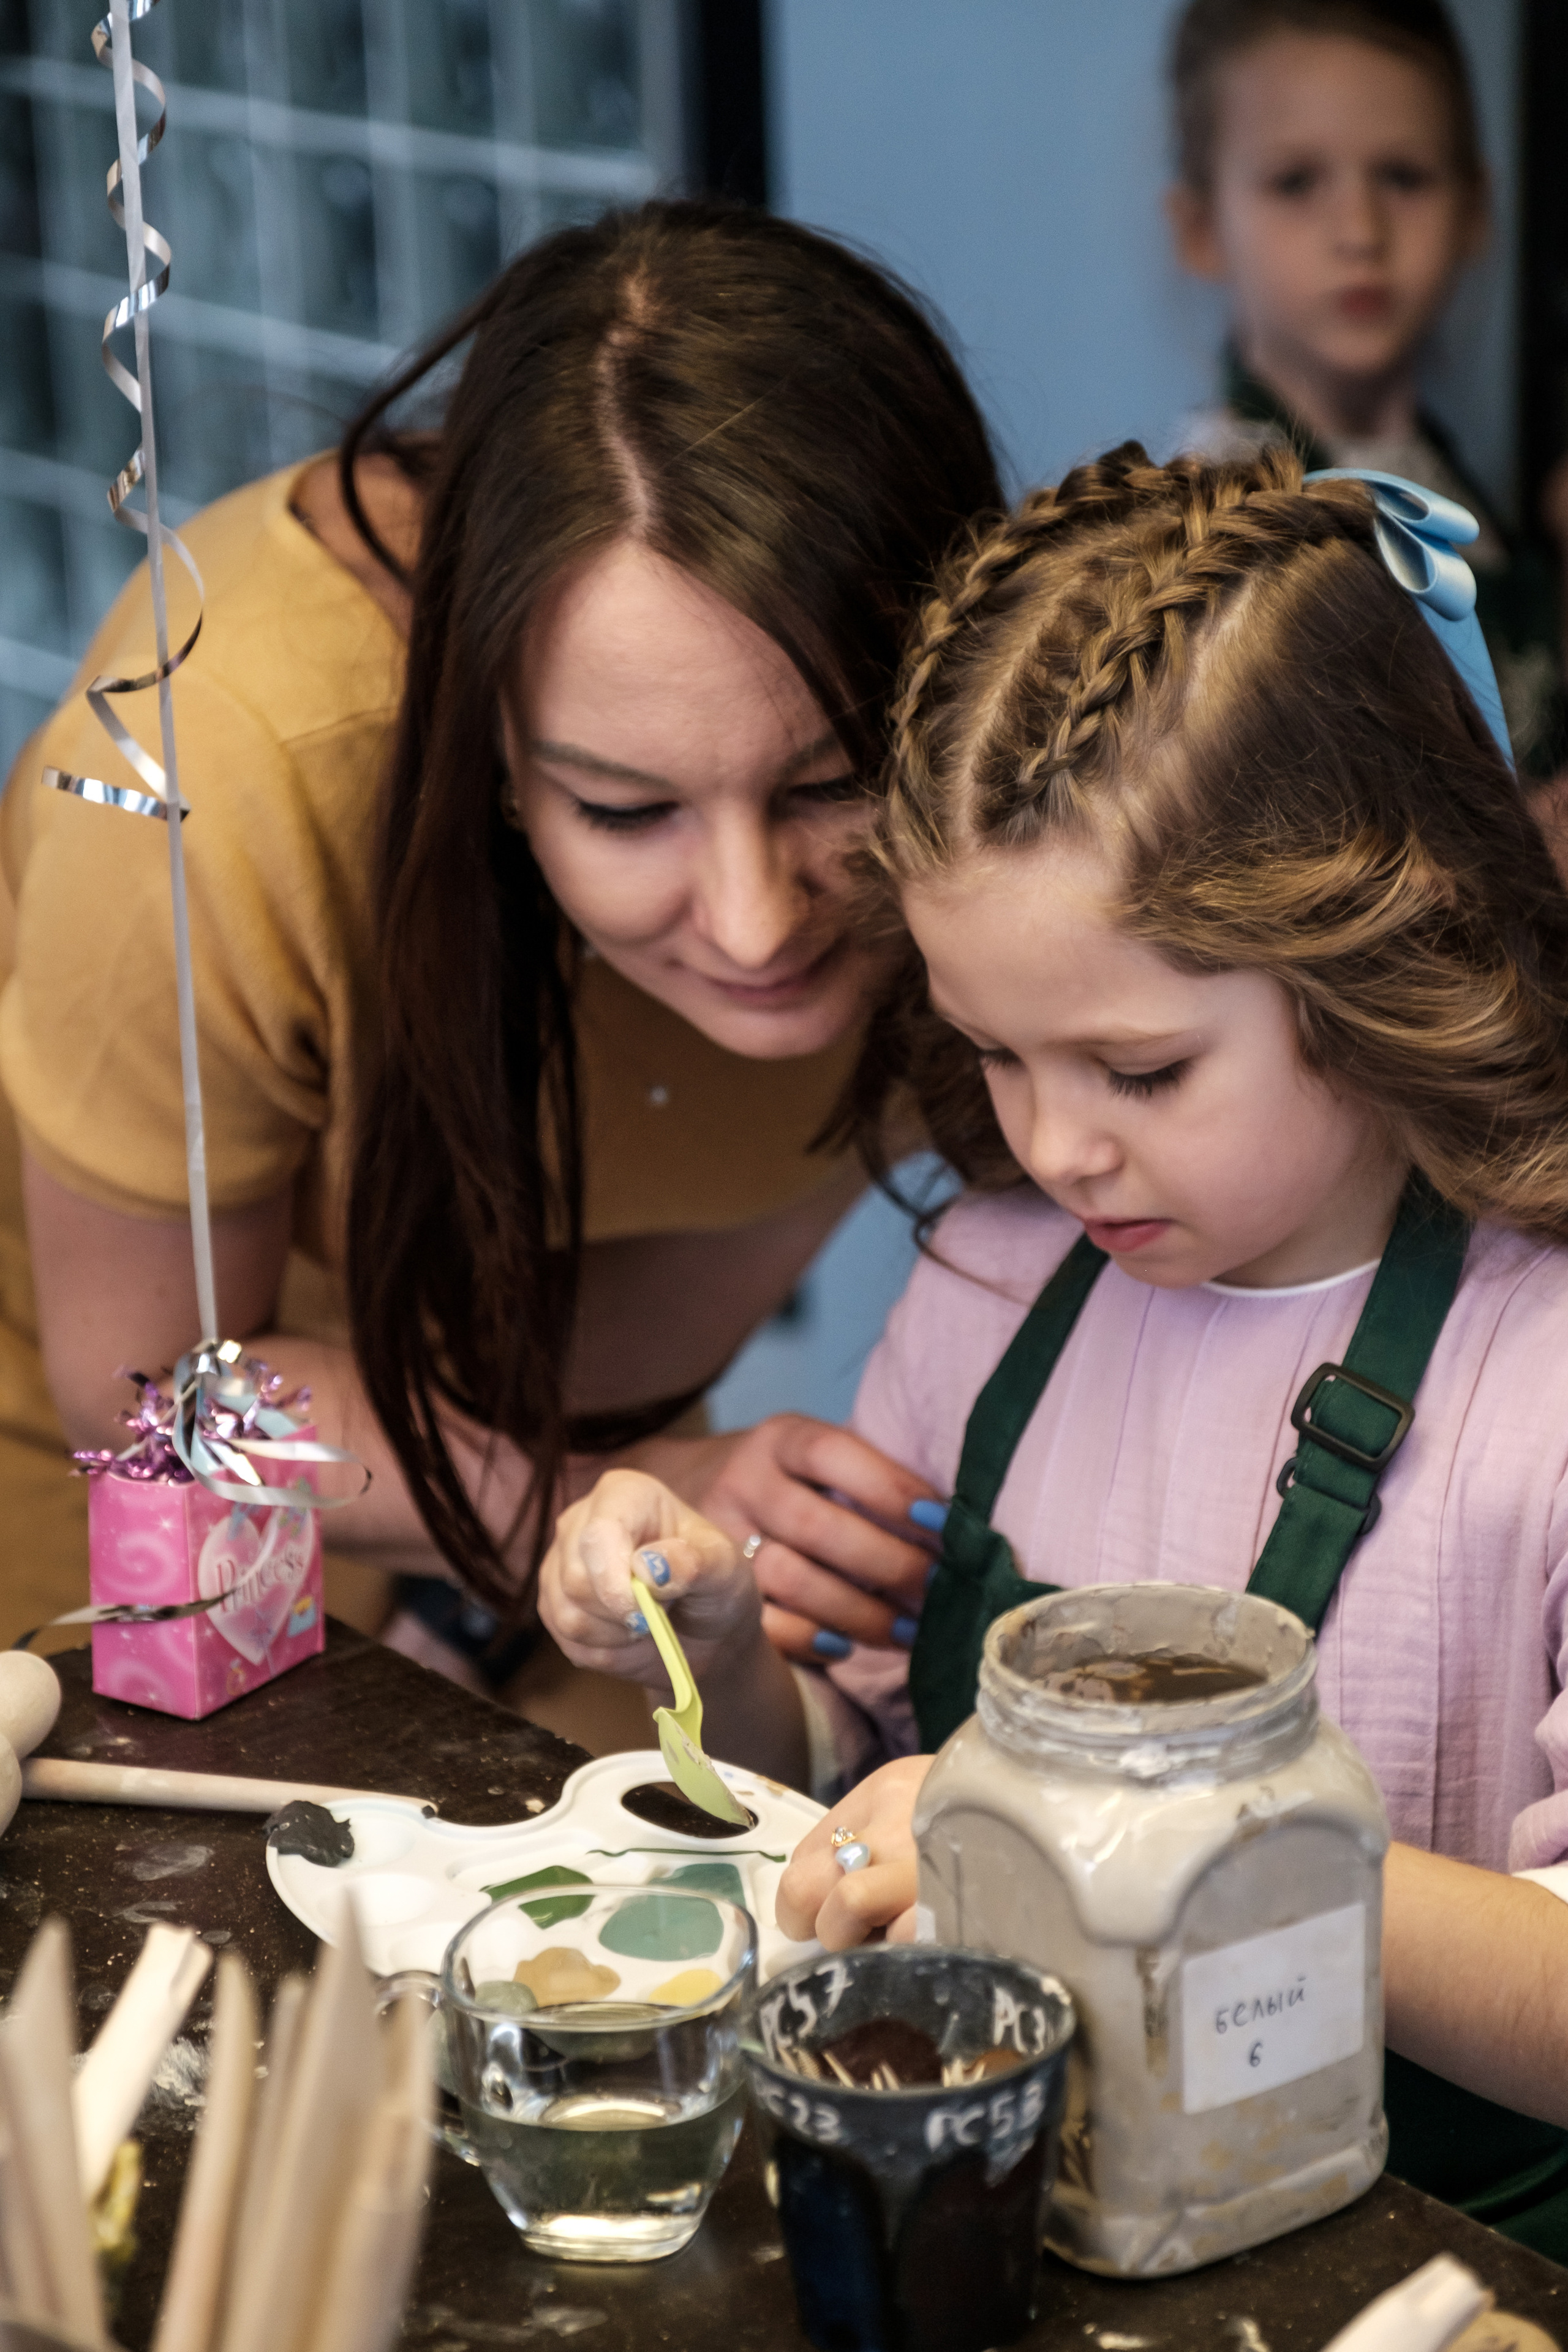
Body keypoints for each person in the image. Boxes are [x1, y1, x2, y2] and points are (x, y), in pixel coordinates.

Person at [540, 443, 1568, 2248]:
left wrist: (1128, 1831)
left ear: (1386, 943)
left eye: (1139, 1069)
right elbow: (863, 1772)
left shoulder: (1533, 1382)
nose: (1054, 1144)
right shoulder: (995, 1282)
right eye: (995, 1051)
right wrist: (721, 1649)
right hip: (1021, 2216)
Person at [0, 200, 1001, 1745]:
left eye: (832, 782)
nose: (755, 925)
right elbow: (158, 1403)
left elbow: (624, 1331)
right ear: (490, 762)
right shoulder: (214, 779)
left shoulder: (1000, 773)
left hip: (538, 1486)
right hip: (107, 1513)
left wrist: (556, 1540)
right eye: (625, 811)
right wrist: (599, 1492)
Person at [1164, 0, 1568, 780]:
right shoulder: (1227, 507)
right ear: (1201, 228)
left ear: (1475, 209)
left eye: (1403, 177)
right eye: (1295, 182)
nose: (1359, 231)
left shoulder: (1448, 484)